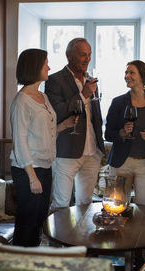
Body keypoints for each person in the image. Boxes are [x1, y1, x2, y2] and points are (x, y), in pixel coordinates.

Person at [10, 48, 77, 246]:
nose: (49, 67)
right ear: (34, 67)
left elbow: (43, 132)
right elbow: (20, 142)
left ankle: (32, 259)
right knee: (27, 222)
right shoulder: (21, 101)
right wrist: (32, 177)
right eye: (45, 63)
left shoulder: (43, 97)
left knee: (39, 220)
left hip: (45, 168)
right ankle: (19, 262)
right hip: (28, 170)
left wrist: (63, 126)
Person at [45, 38, 105, 211]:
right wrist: (83, 94)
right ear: (69, 56)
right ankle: (56, 239)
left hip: (92, 151)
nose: (87, 59)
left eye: (89, 55)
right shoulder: (54, 80)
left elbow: (95, 116)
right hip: (66, 151)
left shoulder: (92, 81)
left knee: (85, 203)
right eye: (82, 55)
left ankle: (81, 238)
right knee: (61, 203)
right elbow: (55, 113)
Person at [104, 60, 145, 206]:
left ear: (142, 77)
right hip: (121, 163)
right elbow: (108, 134)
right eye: (126, 72)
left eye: (132, 72)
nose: (127, 76)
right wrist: (122, 133)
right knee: (116, 208)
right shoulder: (118, 102)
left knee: (144, 209)